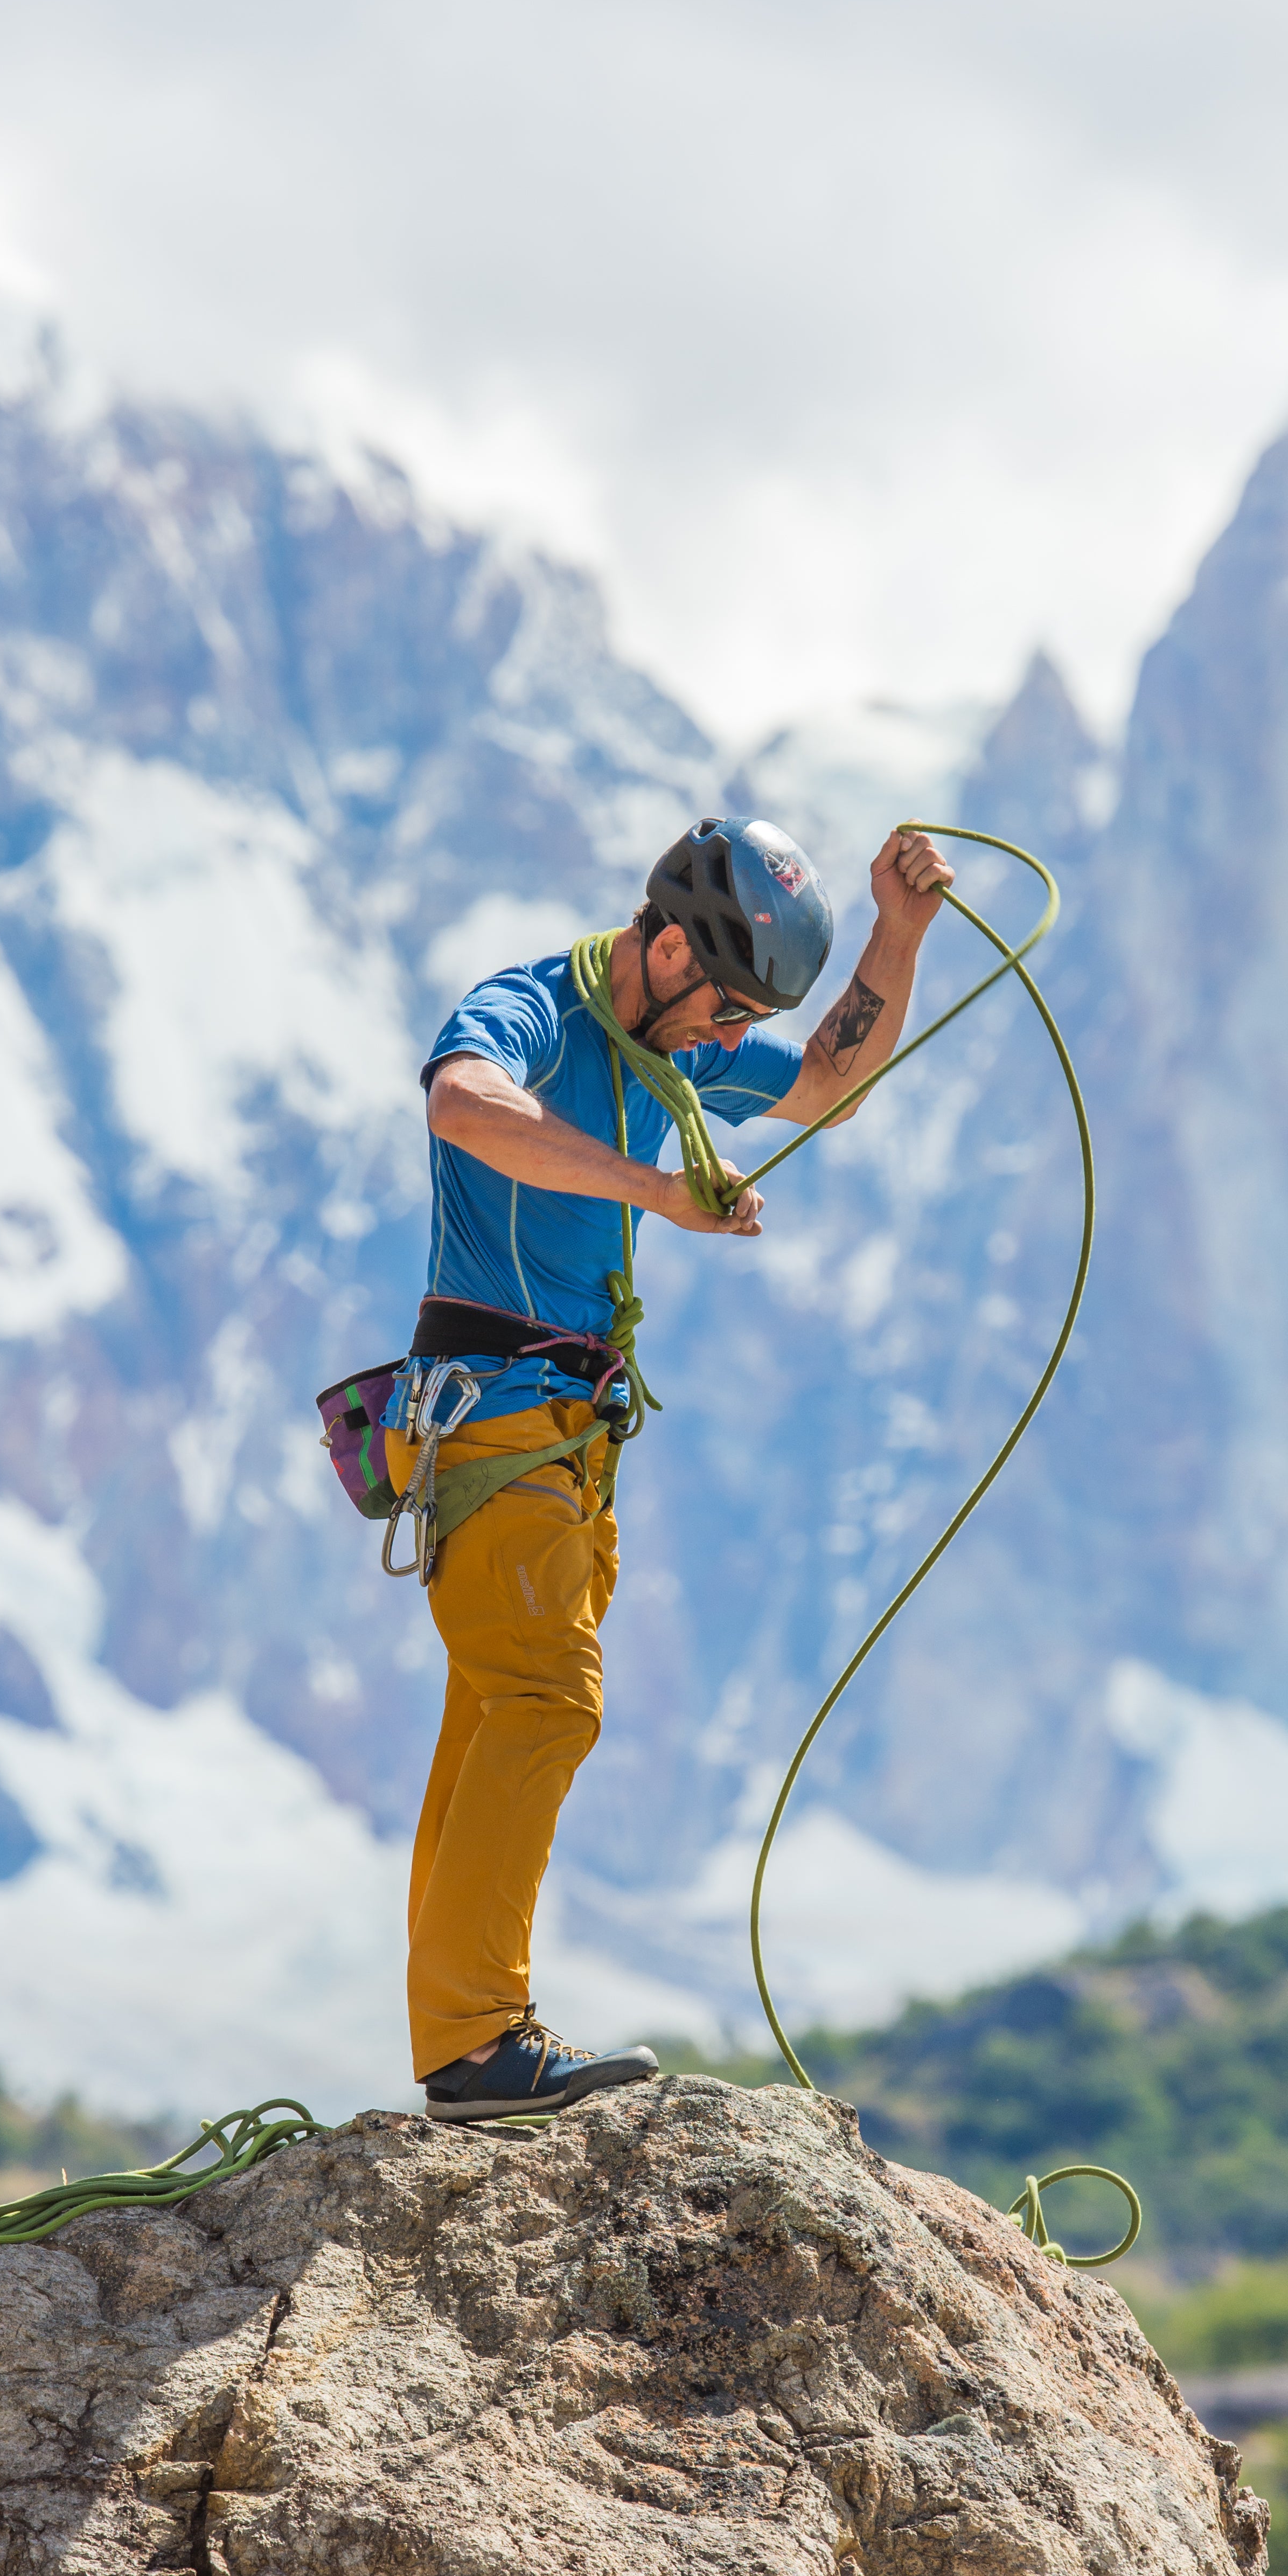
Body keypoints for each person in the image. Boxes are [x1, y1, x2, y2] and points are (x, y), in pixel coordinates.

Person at [390, 816, 957, 2121]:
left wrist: (900, 928)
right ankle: (477, 2046)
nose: (721, 1044)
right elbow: (462, 1105)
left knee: (493, 1712)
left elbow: (823, 1084)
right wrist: (656, 1193)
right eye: (721, 1012)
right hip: (495, 1415)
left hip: (565, 1437)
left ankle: (458, 2038)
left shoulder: (670, 1041)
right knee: (546, 1702)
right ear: (661, 946)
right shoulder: (532, 1006)